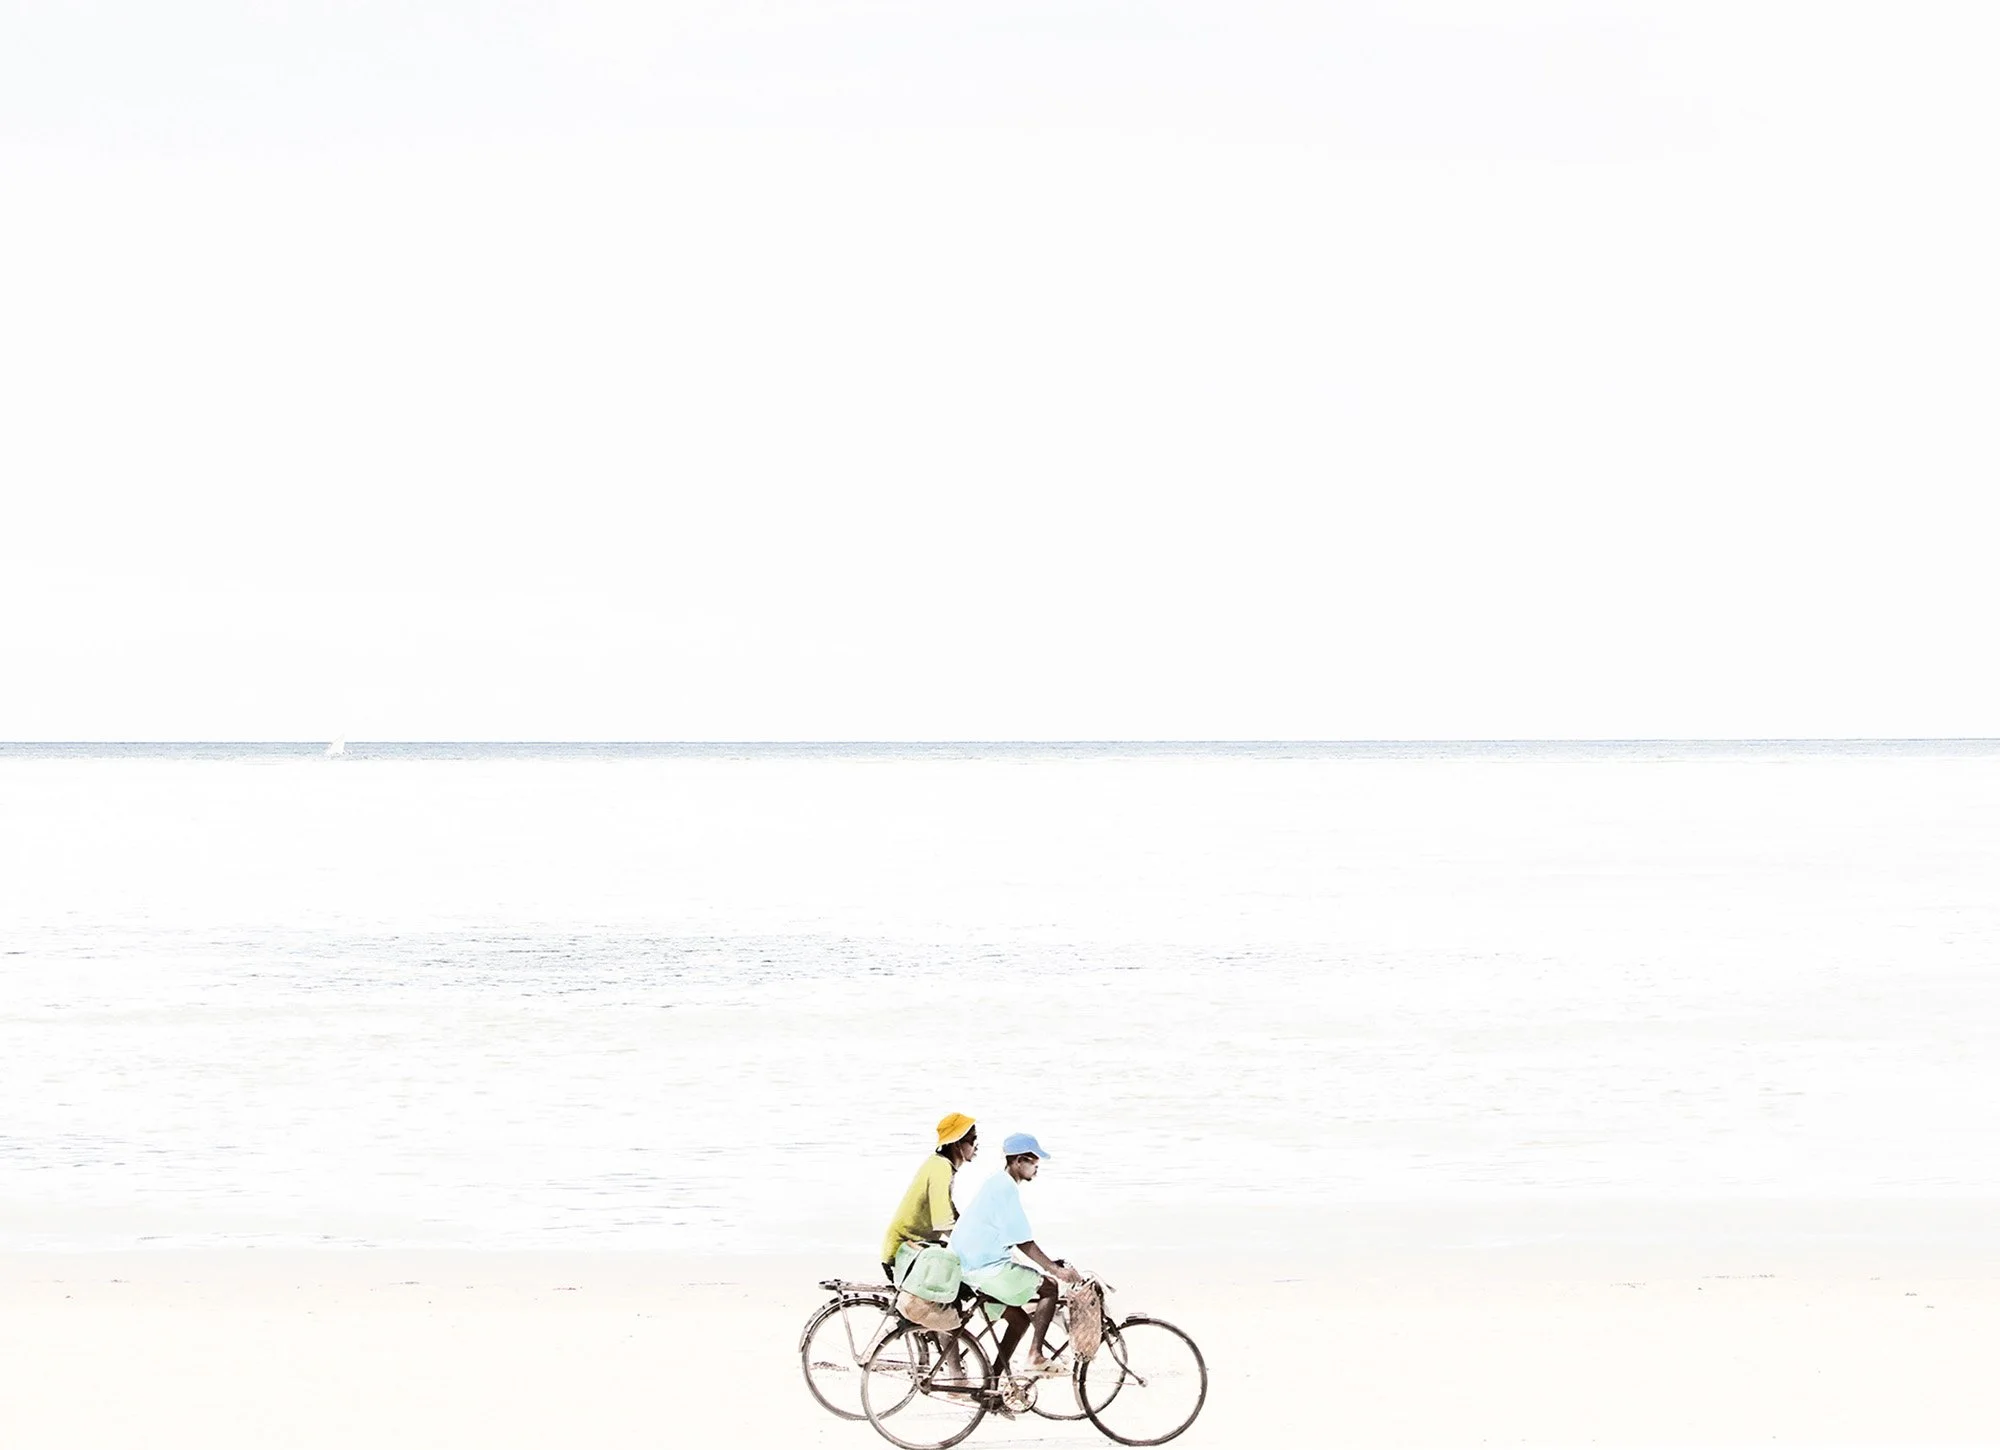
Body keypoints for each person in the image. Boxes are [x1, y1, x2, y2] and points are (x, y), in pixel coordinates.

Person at [948, 1132, 1081, 1381]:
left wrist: (1048, 1264)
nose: (1036, 1170)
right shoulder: (1005, 1187)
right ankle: (1035, 1355)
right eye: (1034, 1164)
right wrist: (1055, 1270)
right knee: (1049, 1288)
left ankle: (991, 1385)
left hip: (970, 1267)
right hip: (984, 1268)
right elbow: (1023, 1242)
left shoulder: (996, 1182)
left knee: (1019, 1321)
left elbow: (1010, 1239)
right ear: (1018, 1161)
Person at [880, 1112, 979, 1285]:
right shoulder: (941, 1168)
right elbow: (943, 1222)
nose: (976, 1146)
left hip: (915, 1249)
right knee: (964, 1284)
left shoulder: (939, 1164)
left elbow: (952, 1216)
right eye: (972, 1140)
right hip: (904, 1254)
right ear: (957, 1143)